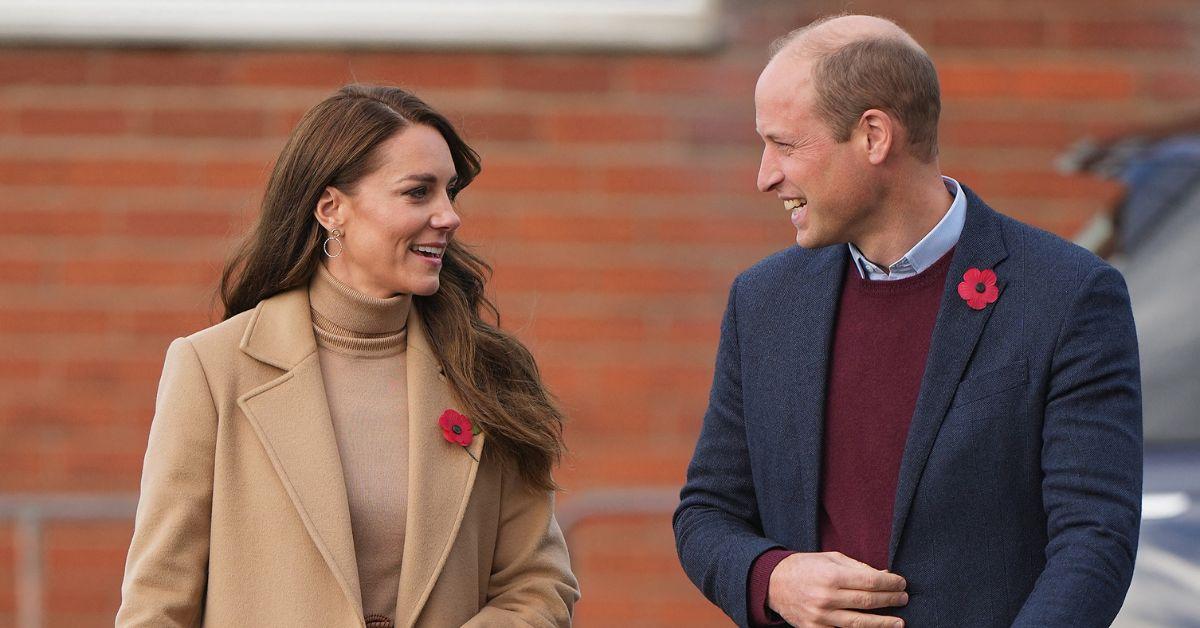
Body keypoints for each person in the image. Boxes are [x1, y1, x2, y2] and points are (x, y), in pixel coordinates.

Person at [673, 14, 1141, 628]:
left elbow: (1094, 540)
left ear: (873, 136)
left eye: (785, 145)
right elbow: (706, 512)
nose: (764, 176)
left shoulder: (1069, 296)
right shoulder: (764, 301)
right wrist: (774, 576)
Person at [116, 85, 579, 627]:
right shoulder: (213, 368)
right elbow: (158, 603)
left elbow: (538, 586)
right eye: (417, 192)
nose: (448, 216)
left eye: (449, 192)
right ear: (332, 208)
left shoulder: (486, 371)